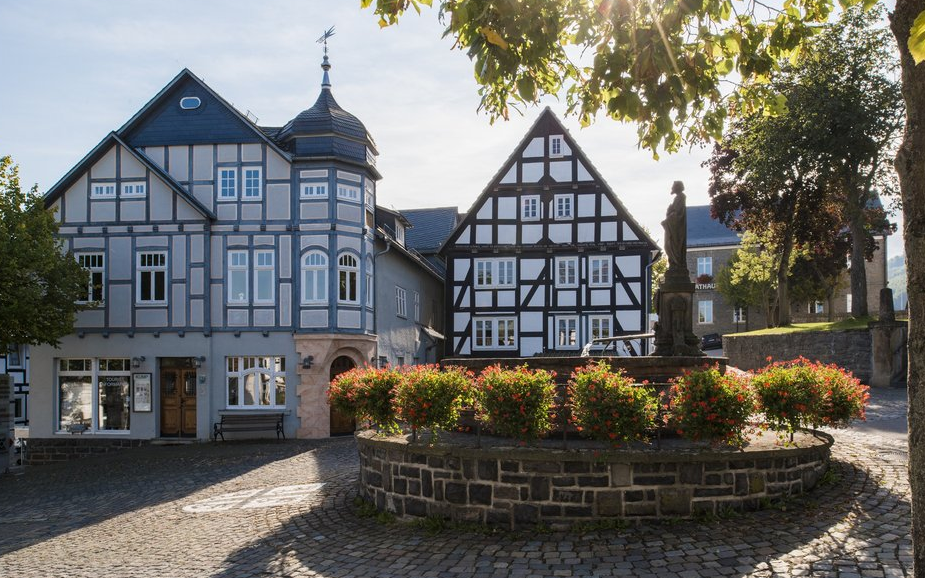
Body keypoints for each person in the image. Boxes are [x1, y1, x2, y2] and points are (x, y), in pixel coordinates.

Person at [662, 181, 688, 277]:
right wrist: (669, 214)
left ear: (678, 187)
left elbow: (678, 214)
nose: (672, 189)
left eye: (673, 187)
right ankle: (674, 263)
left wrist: (668, 218)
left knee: (672, 246)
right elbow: (674, 213)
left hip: (677, 230)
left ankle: (677, 263)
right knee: (668, 245)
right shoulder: (678, 198)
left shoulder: (681, 197)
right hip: (673, 228)